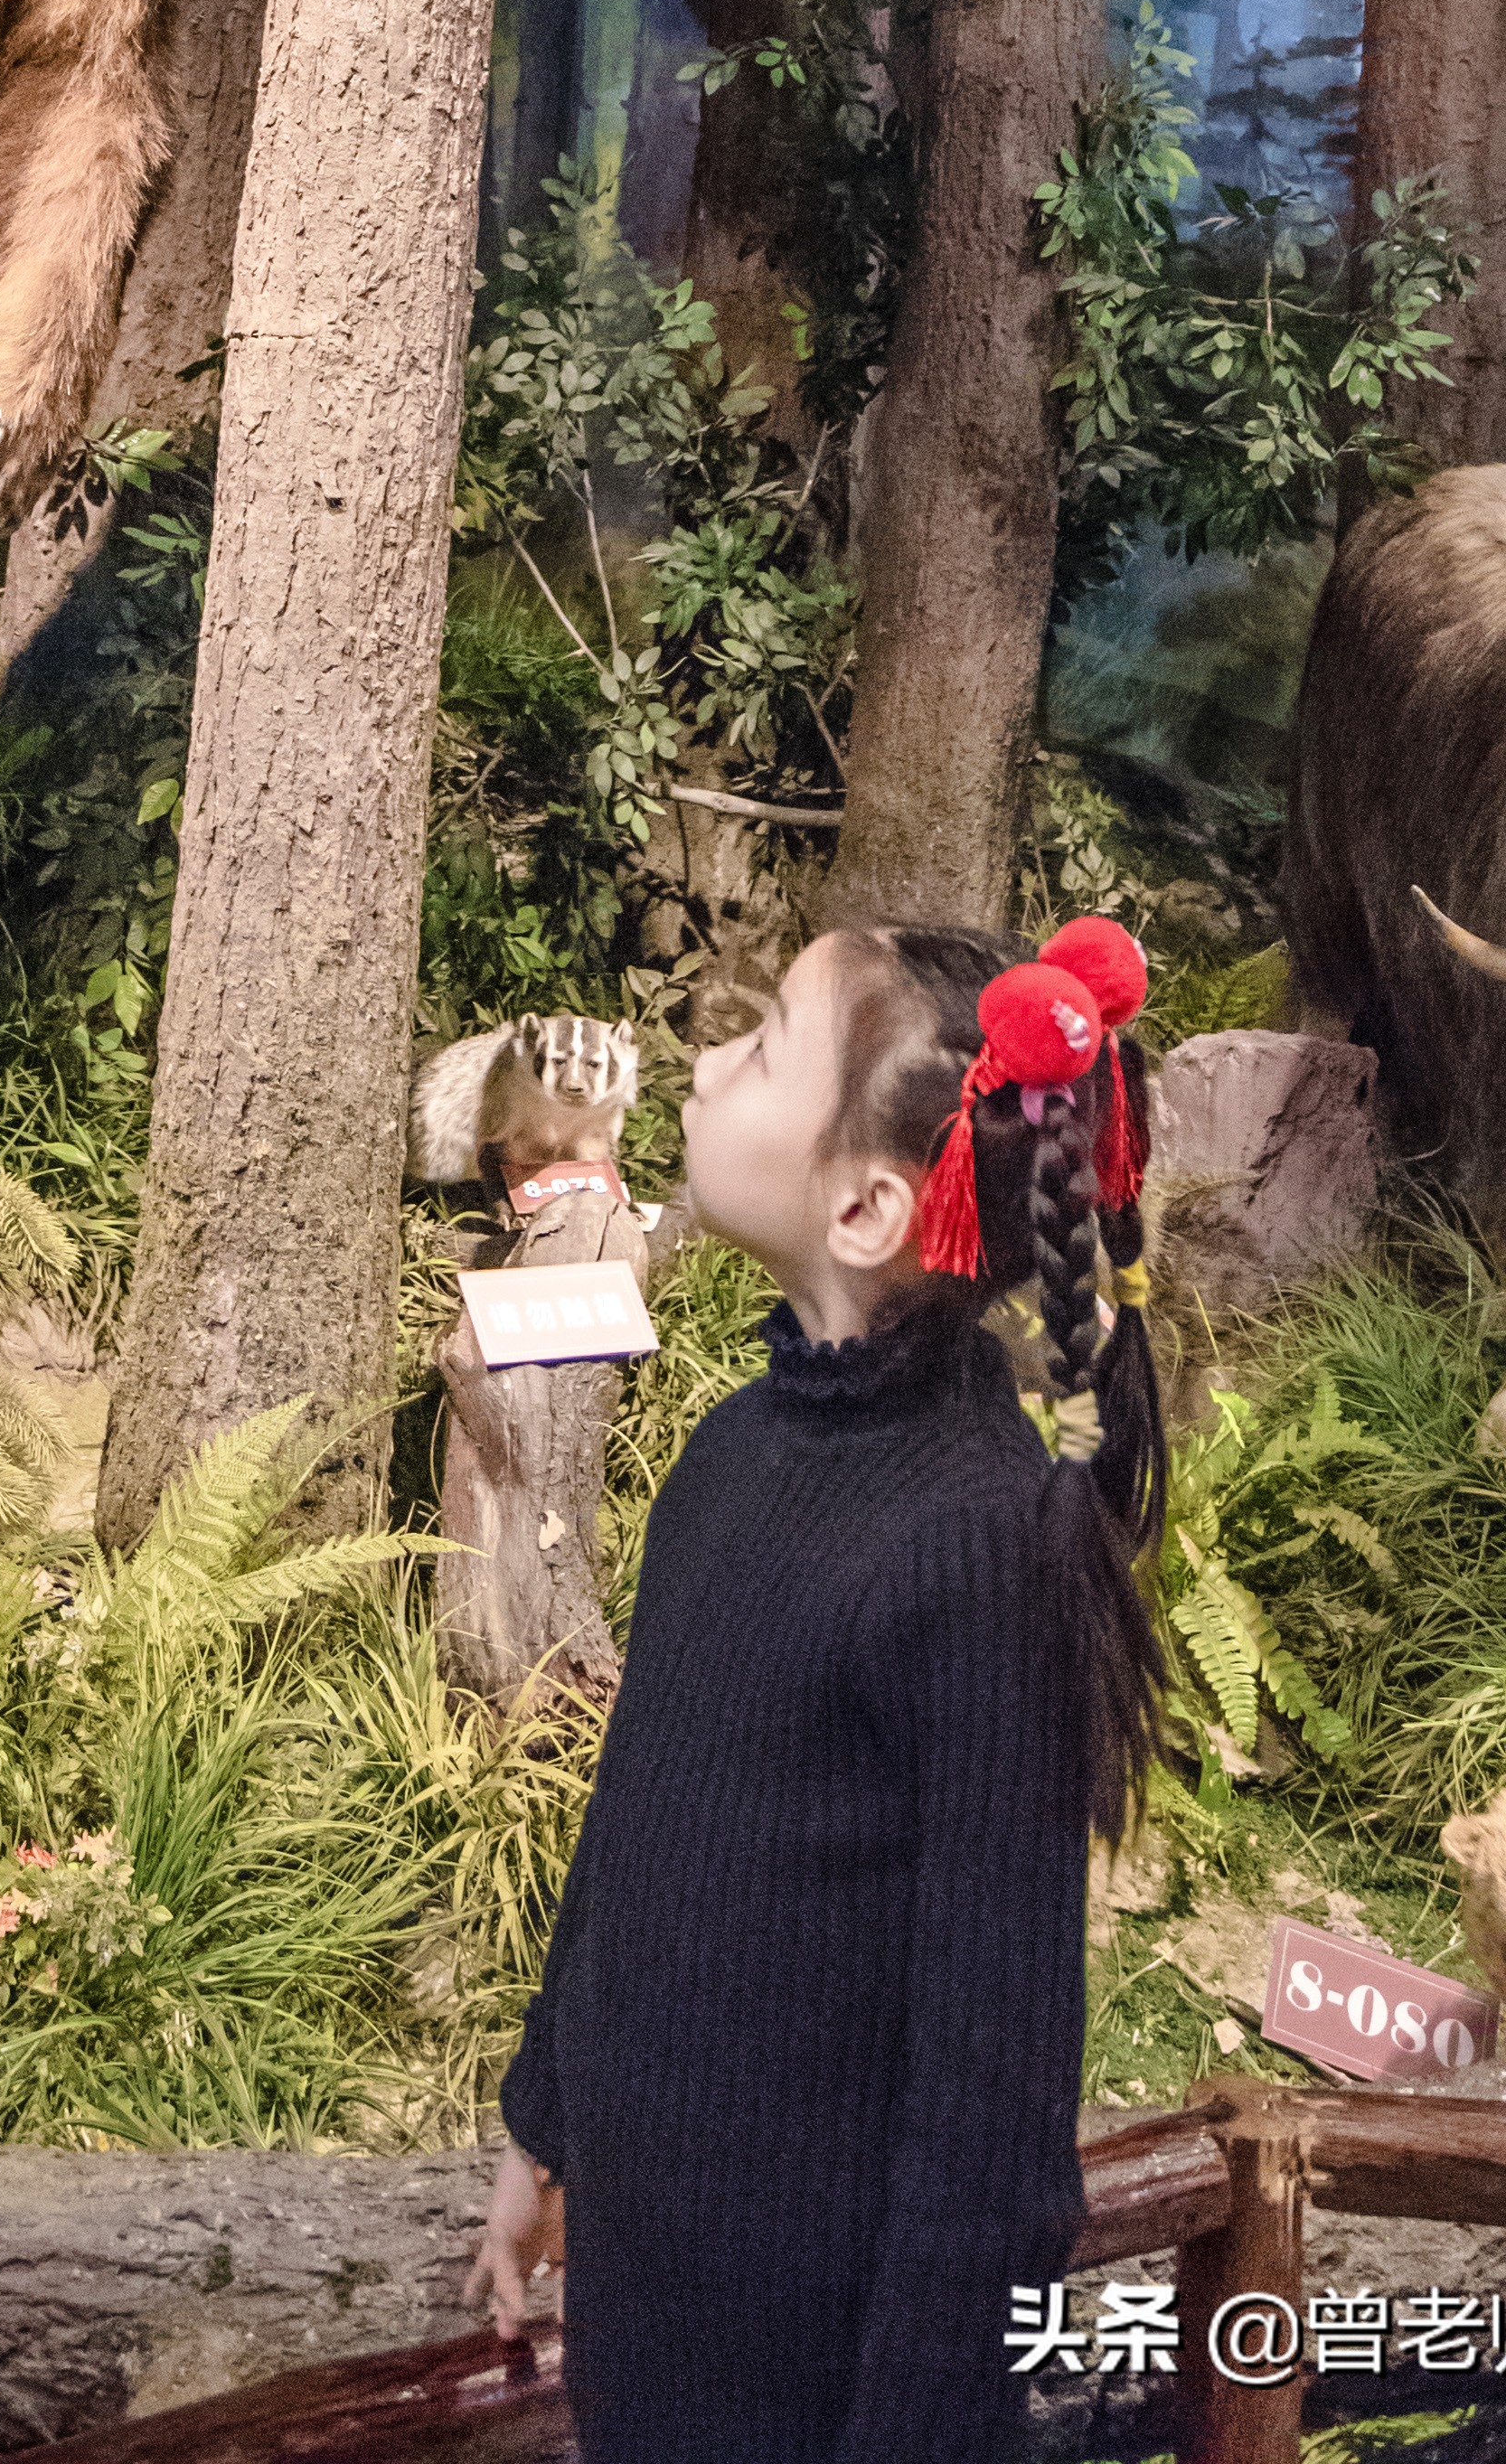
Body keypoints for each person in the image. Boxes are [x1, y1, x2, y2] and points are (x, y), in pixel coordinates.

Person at [473, 916, 1171, 2464]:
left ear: (864, 1207)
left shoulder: (977, 1546)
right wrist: (546, 2120)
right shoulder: (731, 1454)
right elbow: (638, 1823)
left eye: (768, 1044)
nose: (710, 1058)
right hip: (650, 2317)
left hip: (815, 2391)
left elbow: (992, 2151)